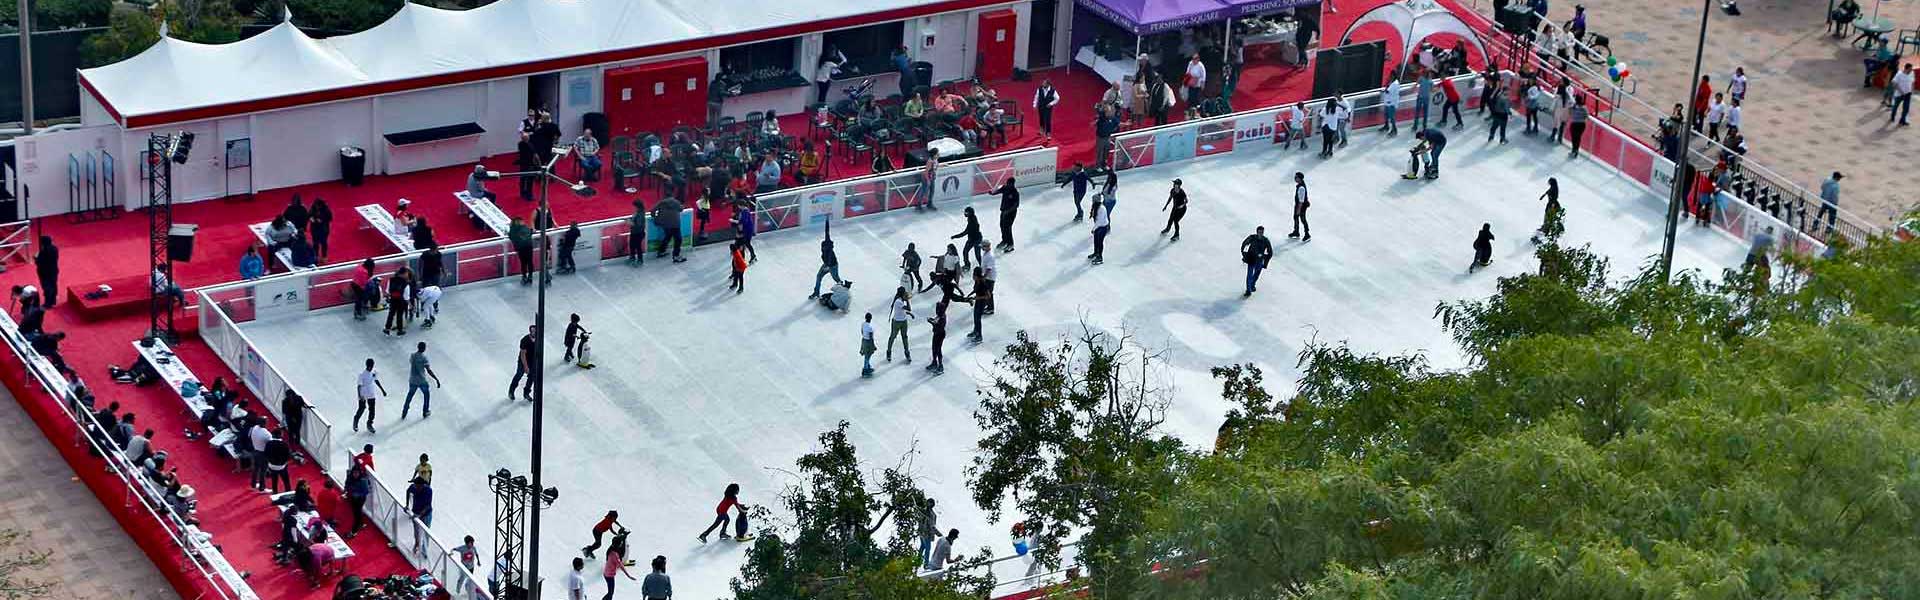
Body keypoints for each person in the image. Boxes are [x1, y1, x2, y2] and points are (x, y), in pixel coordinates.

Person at [403, 342, 441, 420]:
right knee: (426, 395)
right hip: (421, 380)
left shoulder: (412, 356)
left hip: (412, 379)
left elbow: (411, 362)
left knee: (410, 395)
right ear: (424, 348)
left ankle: (405, 410)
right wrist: (436, 379)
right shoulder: (424, 358)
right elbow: (428, 370)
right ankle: (425, 411)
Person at [810, 223, 847, 299]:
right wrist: (827, 220)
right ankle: (816, 292)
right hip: (826, 264)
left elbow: (829, 260)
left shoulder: (829, 251)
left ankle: (844, 290)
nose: (822, 247)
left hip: (832, 266)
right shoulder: (827, 242)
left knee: (836, 279)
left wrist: (828, 267)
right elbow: (827, 231)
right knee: (819, 276)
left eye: (823, 247)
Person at [352, 359, 387, 433]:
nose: (370, 368)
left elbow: (376, 381)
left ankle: (369, 423)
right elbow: (359, 386)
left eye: (371, 366)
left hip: (371, 394)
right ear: (366, 366)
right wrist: (359, 396)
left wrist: (382, 390)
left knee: (372, 409)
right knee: (362, 408)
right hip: (363, 394)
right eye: (369, 366)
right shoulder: (362, 374)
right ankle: (356, 420)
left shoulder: (374, 372)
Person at [601, 532, 639, 600]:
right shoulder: (615, 554)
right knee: (610, 593)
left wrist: (623, 536)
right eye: (620, 543)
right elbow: (621, 565)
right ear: (618, 544)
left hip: (606, 573)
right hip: (609, 575)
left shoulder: (611, 549)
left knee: (610, 592)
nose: (621, 544)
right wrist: (629, 576)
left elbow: (616, 540)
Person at [1241, 226, 1273, 297]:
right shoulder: (1252, 238)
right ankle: (1248, 290)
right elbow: (1244, 245)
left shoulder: (1266, 240)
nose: (1260, 234)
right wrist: (1245, 256)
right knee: (1249, 275)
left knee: (1256, 274)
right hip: (1251, 259)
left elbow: (1270, 252)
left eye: (1262, 232)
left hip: (1259, 260)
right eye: (1259, 232)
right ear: (1257, 232)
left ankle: (1252, 284)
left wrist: (1265, 262)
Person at [382, 266, 414, 336]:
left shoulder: (391, 280)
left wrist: (388, 298)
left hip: (393, 299)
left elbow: (387, 291)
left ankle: (387, 328)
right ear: (405, 273)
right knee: (399, 315)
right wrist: (410, 305)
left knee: (391, 314)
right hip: (401, 301)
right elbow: (406, 297)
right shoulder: (406, 284)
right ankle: (400, 330)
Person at [1533, 178, 1565, 244]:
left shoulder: (1554, 188)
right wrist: (1544, 195)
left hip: (1553, 205)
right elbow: (1548, 191)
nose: (1548, 182)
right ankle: (1545, 228)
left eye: (1549, 181)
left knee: (1549, 217)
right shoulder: (1553, 187)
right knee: (1548, 217)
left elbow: (1554, 196)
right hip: (1551, 204)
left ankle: (1546, 231)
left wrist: (1552, 205)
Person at [886, 287, 914, 363]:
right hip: (897, 322)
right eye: (904, 292)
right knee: (893, 336)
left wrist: (909, 314)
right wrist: (907, 300)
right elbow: (908, 308)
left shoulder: (901, 300)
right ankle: (888, 351)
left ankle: (907, 352)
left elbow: (902, 311)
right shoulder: (898, 302)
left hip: (903, 321)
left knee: (905, 337)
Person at [509, 325, 537, 401]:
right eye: (533, 331)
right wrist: (526, 366)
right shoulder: (525, 340)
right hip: (523, 361)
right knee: (519, 374)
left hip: (532, 361)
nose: (534, 332)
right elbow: (522, 354)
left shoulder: (538, 339)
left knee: (532, 377)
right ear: (530, 332)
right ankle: (511, 391)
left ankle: (526, 393)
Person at [925, 297, 949, 374]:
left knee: (938, 350)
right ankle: (934, 362)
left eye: (937, 309)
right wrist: (932, 320)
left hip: (940, 335)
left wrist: (931, 322)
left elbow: (938, 325)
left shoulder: (942, 317)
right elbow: (935, 321)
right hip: (936, 334)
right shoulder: (939, 315)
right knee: (934, 349)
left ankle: (941, 366)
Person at [995, 179, 1020, 252]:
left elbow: (1016, 205)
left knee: (1008, 228)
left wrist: (1008, 211)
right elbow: (999, 191)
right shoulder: (1005, 188)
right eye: (1007, 183)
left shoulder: (1015, 193)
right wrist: (993, 193)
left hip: (1011, 213)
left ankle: (1010, 244)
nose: (1007, 185)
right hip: (1003, 211)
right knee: (1002, 226)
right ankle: (1004, 241)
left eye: (1009, 184)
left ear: (1012, 184)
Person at [509, 216, 536, 284]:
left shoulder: (513, 230)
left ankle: (524, 277)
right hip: (528, 246)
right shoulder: (525, 228)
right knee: (529, 261)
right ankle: (530, 276)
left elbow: (511, 236)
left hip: (521, 248)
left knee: (523, 263)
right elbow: (530, 232)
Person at [32, 237, 57, 308]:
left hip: (45, 273)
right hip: (53, 271)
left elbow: (39, 262)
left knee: (47, 288)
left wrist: (36, 258)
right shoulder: (54, 248)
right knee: (53, 285)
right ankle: (53, 300)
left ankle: (48, 303)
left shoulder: (44, 252)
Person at [1289, 173, 1311, 241]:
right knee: (1296, 217)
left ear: (1299, 178)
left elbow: (1301, 200)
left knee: (1302, 219)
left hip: (1301, 206)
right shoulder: (1300, 186)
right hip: (1299, 205)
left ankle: (1307, 234)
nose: (1295, 178)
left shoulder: (1301, 188)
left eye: (1296, 177)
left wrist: (1298, 209)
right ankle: (1296, 231)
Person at [1088, 200, 1111, 265]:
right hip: (1099, 227)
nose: (1092, 201)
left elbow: (1099, 221)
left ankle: (1100, 257)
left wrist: (1093, 229)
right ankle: (1096, 253)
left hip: (1103, 227)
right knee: (1096, 241)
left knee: (1100, 242)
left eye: (1093, 200)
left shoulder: (1101, 209)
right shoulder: (1096, 207)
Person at [859, 313, 877, 378]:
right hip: (868, 342)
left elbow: (862, 331)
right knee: (868, 355)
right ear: (870, 318)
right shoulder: (870, 327)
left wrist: (864, 336)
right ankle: (865, 369)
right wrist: (873, 346)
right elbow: (871, 338)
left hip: (863, 340)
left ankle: (868, 366)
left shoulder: (863, 324)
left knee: (866, 354)